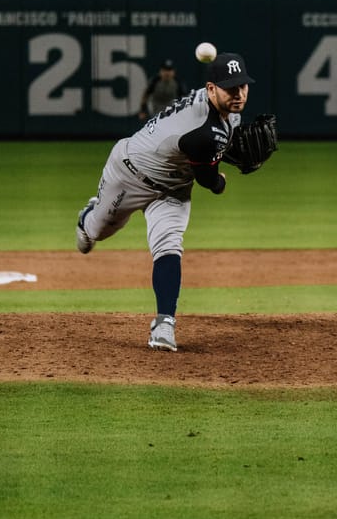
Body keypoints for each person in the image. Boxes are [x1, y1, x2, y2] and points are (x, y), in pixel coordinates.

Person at [75, 52, 257, 352]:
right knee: (94, 235)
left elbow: (221, 137)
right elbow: (210, 181)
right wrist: (223, 181)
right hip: (129, 174)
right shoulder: (202, 133)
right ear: (211, 89)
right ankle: (88, 217)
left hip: (173, 186)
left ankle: (164, 324)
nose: (238, 94)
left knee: (169, 244)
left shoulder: (223, 113)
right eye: (230, 88)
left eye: (243, 86)